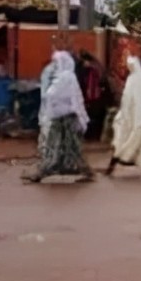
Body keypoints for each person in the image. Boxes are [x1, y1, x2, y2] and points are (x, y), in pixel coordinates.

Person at [24, 51, 94, 183]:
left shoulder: (66, 78)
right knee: (64, 145)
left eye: (57, 62)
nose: (55, 65)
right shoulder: (64, 77)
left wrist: (80, 116)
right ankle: (65, 168)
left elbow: (67, 97)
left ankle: (50, 170)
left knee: (62, 146)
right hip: (61, 117)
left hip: (67, 118)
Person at [107, 56, 141, 177]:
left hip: (135, 120)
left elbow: (133, 102)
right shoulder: (137, 80)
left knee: (127, 142)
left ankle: (115, 165)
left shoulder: (134, 81)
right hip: (135, 119)